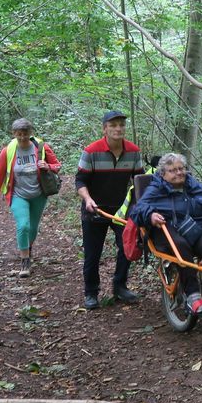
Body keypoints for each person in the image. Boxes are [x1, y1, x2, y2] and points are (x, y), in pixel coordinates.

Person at [130, 153, 202, 315]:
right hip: (166, 229)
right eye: (173, 170)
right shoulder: (155, 187)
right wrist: (151, 215)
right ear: (163, 173)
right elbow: (138, 208)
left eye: (181, 168)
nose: (179, 173)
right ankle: (193, 295)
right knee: (181, 246)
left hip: (192, 228)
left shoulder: (191, 184)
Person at [75, 110, 144, 310]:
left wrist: (141, 205)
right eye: (113, 125)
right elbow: (80, 180)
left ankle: (120, 286)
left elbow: (139, 181)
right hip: (94, 209)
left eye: (121, 125)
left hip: (121, 210)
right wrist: (87, 199)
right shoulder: (91, 151)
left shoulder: (133, 151)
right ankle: (91, 292)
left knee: (127, 247)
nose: (118, 129)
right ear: (104, 129)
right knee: (92, 253)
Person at [0, 118, 61, 278]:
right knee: (23, 226)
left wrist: (47, 166)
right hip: (17, 195)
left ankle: (27, 248)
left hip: (38, 195)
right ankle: (25, 261)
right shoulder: (8, 151)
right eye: (19, 134)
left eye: (25, 134)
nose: (22, 137)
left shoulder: (41, 147)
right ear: (14, 134)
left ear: (31, 133)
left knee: (33, 229)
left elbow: (57, 165)